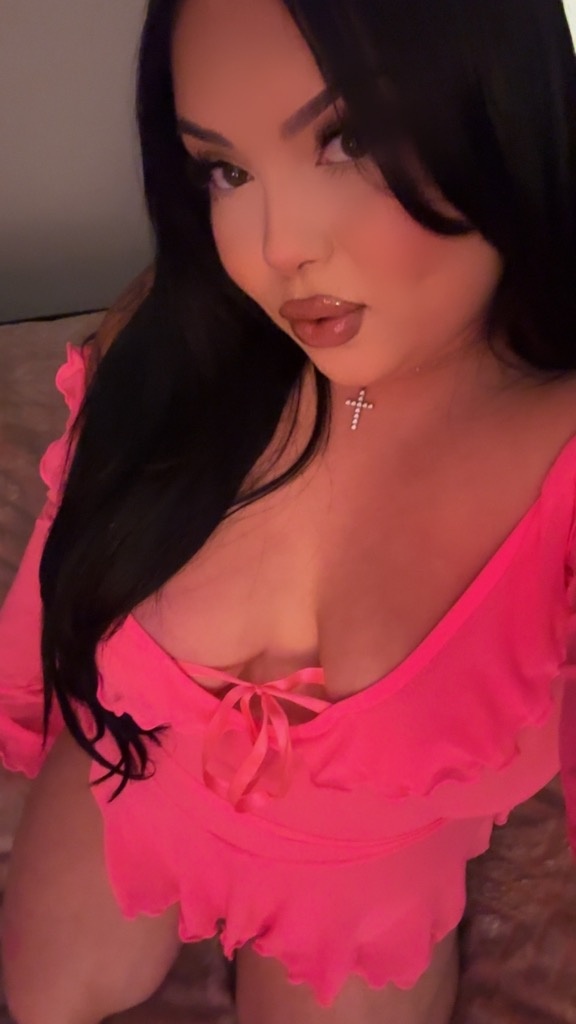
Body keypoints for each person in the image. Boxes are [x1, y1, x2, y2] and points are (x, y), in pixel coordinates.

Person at [1, 0, 576, 1021]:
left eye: (349, 139)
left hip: (364, 886)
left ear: (502, 107)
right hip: (130, 776)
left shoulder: (558, 460)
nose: (277, 247)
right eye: (226, 170)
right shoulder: (173, 345)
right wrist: (20, 713)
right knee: (41, 997)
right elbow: (62, 547)